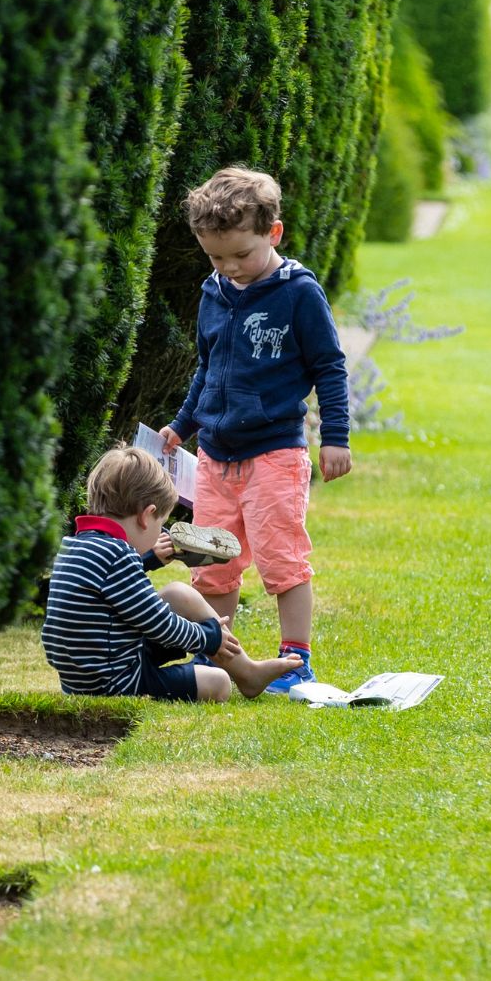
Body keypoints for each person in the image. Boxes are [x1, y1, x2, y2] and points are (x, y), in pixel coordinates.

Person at [159, 167, 351, 696]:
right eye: (216, 258)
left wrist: (336, 436)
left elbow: (330, 367)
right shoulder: (215, 291)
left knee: (282, 562)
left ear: (274, 233)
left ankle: (296, 663)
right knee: (211, 565)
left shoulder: (298, 293)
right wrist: (182, 425)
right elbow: (207, 368)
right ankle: (219, 657)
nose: (230, 268)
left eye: (240, 255)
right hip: (216, 458)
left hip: (274, 455)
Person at [41, 447, 302, 702]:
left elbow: (108, 589)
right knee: (218, 682)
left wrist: (148, 560)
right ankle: (245, 673)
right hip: (118, 682)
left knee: (178, 593)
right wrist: (208, 637)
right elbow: (159, 623)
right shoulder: (119, 554)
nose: (160, 531)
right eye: (160, 523)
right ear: (147, 516)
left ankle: (247, 672)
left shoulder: (76, 544)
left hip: (84, 676)